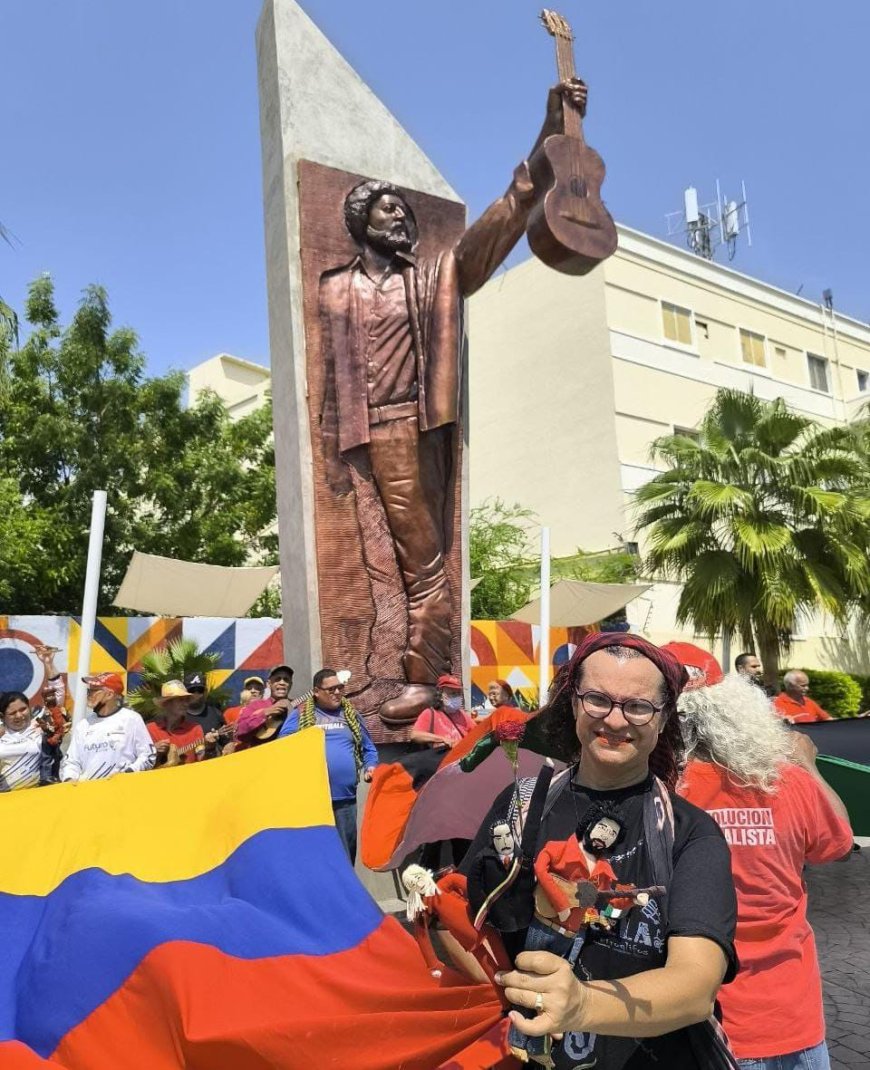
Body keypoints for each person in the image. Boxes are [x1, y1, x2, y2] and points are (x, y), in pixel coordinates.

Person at [320, 78, 589, 726]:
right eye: (387, 210)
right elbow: (330, 378)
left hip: (412, 431)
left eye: (404, 210)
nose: (401, 218)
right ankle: (385, 668)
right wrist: (332, 449)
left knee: (423, 561)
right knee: (383, 562)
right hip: (360, 436)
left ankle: (422, 678)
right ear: (360, 223)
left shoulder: (436, 275)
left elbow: (510, 210)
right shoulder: (335, 288)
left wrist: (552, 130)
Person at [465, 632, 738, 1070]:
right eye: (597, 700)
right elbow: (463, 931)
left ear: (663, 719)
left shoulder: (689, 833)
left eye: (638, 706)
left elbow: (695, 986)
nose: (614, 720)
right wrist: (461, 930)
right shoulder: (520, 807)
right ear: (574, 704)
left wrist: (581, 1004)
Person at [678, 673, 853, 1070]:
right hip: (792, 1013)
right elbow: (840, 845)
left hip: (707, 1015)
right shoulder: (788, 781)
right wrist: (807, 765)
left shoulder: (666, 792)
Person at [277, 668, 378, 865]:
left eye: (340, 688)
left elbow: (369, 749)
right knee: (315, 858)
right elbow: (284, 744)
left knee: (345, 856)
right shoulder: (301, 714)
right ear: (316, 691)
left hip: (345, 801)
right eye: (331, 689)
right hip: (313, 801)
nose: (337, 692)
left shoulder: (351, 715)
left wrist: (371, 766)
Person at [61, 673, 155, 781]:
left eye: (94, 691)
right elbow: (71, 761)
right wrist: (69, 778)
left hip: (122, 787)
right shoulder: (83, 725)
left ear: (109, 694)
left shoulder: (131, 719)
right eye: (89, 690)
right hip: (90, 789)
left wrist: (129, 773)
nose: (89, 694)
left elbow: (148, 755)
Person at [233, 665, 295, 748]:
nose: (282, 683)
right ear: (269, 684)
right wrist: (265, 713)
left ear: (290, 684)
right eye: (277, 679)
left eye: (286, 680)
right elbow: (240, 731)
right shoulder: (255, 706)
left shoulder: (298, 706)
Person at [148, 680, 206, 766]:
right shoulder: (151, 729)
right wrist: (153, 750)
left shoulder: (195, 729)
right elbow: (140, 760)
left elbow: (202, 760)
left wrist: (210, 748)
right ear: (167, 703)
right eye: (180, 700)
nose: (185, 704)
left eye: (186, 700)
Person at [410, 674, 474, 750]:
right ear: (440, 695)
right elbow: (415, 735)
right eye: (453, 693)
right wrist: (442, 739)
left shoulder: (461, 713)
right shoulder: (430, 713)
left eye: (458, 694)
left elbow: (475, 731)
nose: (456, 697)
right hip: (444, 755)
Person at [0, 691, 49, 791]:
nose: (19, 715)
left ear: (29, 707)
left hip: (38, 794)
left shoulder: (41, 727)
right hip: (5, 796)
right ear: (2, 716)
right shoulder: (1, 734)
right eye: (12, 713)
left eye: (23, 709)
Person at [183, 671, 226, 755]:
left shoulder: (216, 713)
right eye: (192, 690)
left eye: (200, 690)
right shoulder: (178, 715)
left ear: (205, 692)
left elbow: (227, 742)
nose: (196, 694)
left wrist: (228, 748)